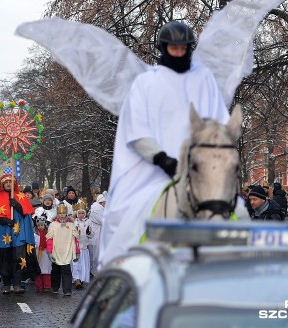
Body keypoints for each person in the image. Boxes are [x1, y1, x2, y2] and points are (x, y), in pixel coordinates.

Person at [99, 21, 230, 267]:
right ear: (164, 48)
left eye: (183, 48)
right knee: (124, 217)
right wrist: (160, 158)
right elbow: (136, 126)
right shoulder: (146, 83)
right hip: (151, 171)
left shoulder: (204, 79)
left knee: (235, 211)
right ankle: (120, 275)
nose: (179, 53)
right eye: (174, 48)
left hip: (199, 168)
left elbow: (218, 122)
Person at [0, 174, 39, 295]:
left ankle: (17, 284)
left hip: (17, 234)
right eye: (6, 182)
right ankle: (7, 284)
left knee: (18, 258)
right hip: (2, 234)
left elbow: (27, 215)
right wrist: (4, 221)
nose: (8, 184)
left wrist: (17, 206)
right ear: (2, 184)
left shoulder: (21, 196)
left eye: (10, 182)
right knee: (4, 259)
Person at [46, 204, 78, 296]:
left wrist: (77, 252)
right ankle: (55, 287)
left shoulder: (71, 225)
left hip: (66, 251)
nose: (62, 215)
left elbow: (75, 239)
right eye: (60, 213)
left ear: (66, 213)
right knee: (55, 270)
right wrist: (49, 251)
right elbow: (50, 239)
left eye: (63, 213)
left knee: (66, 270)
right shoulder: (53, 225)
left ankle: (67, 290)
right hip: (56, 251)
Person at [71, 206, 92, 289]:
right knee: (76, 264)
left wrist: (89, 233)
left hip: (84, 247)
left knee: (83, 264)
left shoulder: (88, 222)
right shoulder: (74, 222)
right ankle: (76, 279)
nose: (81, 215)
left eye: (83, 213)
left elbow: (91, 235)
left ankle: (82, 278)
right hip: (76, 247)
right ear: (76, 214)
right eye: (79, 213)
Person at [33, 216, 52, 293]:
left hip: (46, 253)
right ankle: (39, 286)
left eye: (42, 225)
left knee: (46, 270)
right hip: (38, 253)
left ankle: (47, 286)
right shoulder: (35, 235)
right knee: (38, 269)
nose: (40, 227)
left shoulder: (48, 234)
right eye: (39, 225)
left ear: (45, 225)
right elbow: (33, 243)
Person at [88, 194, 105, 276]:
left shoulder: (101, 209)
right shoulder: (96, 209)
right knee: (95, 253)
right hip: (96, 233)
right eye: (104, 203)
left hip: (101, 233)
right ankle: (94, 271)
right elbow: (102, 220)